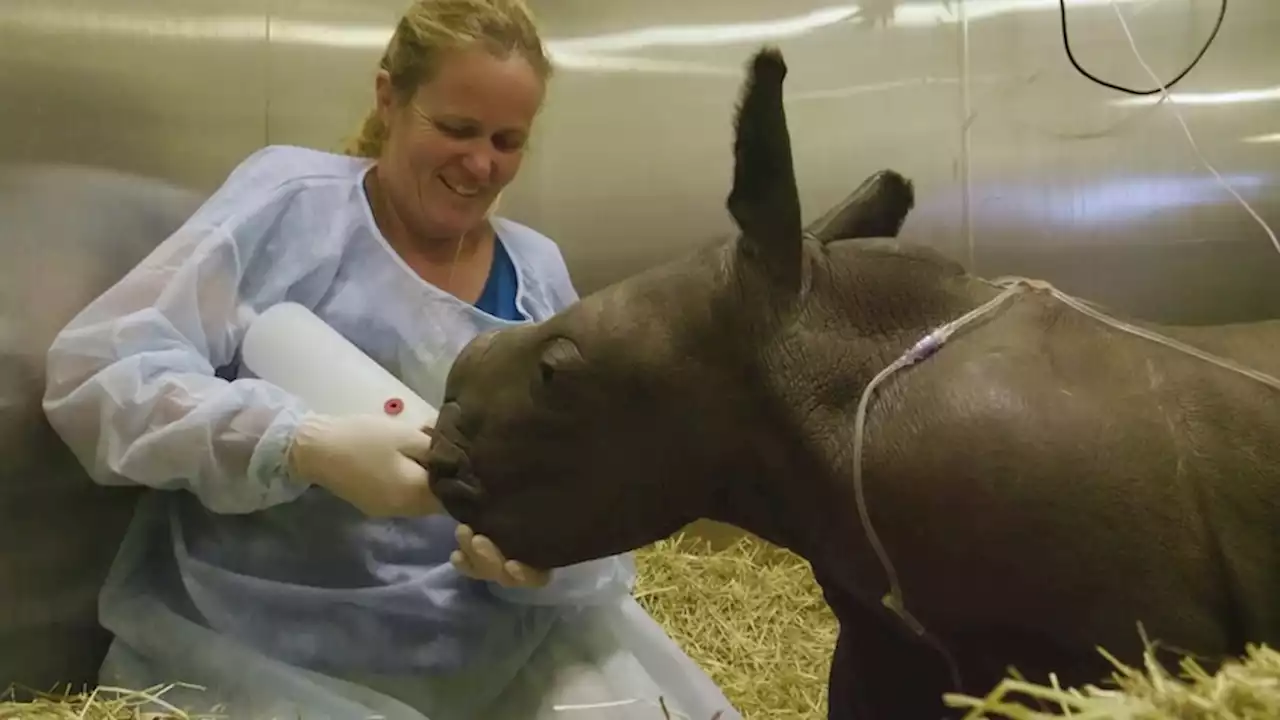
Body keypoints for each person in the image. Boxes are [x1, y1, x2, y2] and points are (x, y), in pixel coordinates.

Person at [41, 1, 740, 718]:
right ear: (390, 97)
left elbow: (594, 477)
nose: (480, 163)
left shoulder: (536, 273)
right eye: (457, 129)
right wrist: (300, 446)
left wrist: (546, 554)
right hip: (270, 636)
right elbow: (99, 375)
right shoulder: (294, 209)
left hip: (490, 638)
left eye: (507, 140)